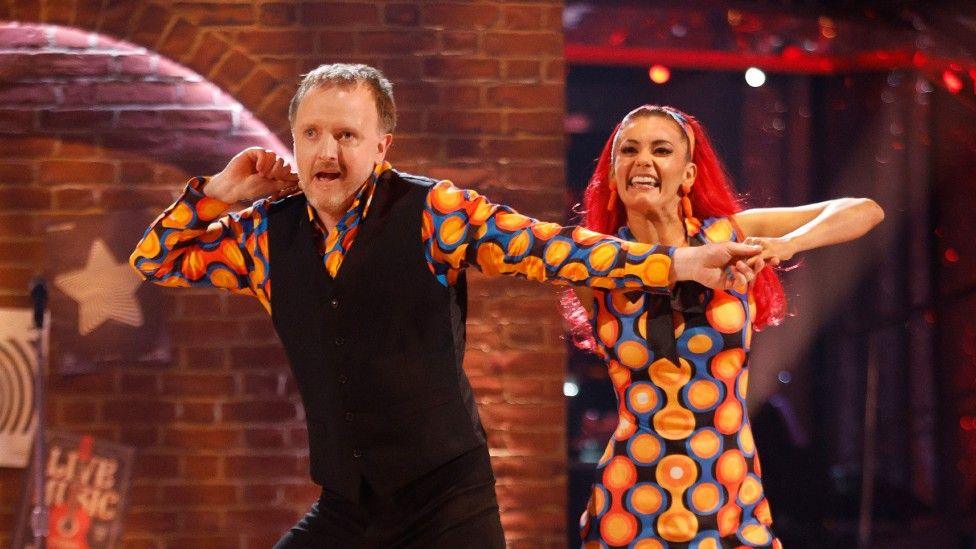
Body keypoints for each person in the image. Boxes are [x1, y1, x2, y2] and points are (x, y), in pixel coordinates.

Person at [129, 64, 765, 548]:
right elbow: (155, 259)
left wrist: (677, 263)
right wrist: (215, 193)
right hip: (348, 505)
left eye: (347, 135)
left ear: (382, 146)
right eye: (312, 134)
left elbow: (554, 251)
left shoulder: (436, 213)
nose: (327, 153)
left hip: (447, 504)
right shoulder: (267, 235)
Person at [567, 105, 884, 548]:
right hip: (633, 501)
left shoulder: (729, 237)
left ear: (689, 174)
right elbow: (534, 251)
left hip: (729, 496)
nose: (642, 160)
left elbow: (864, 209)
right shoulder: (596, 263)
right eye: (629, 150)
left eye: (661, 150)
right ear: (614, 171)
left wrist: (786, 243)